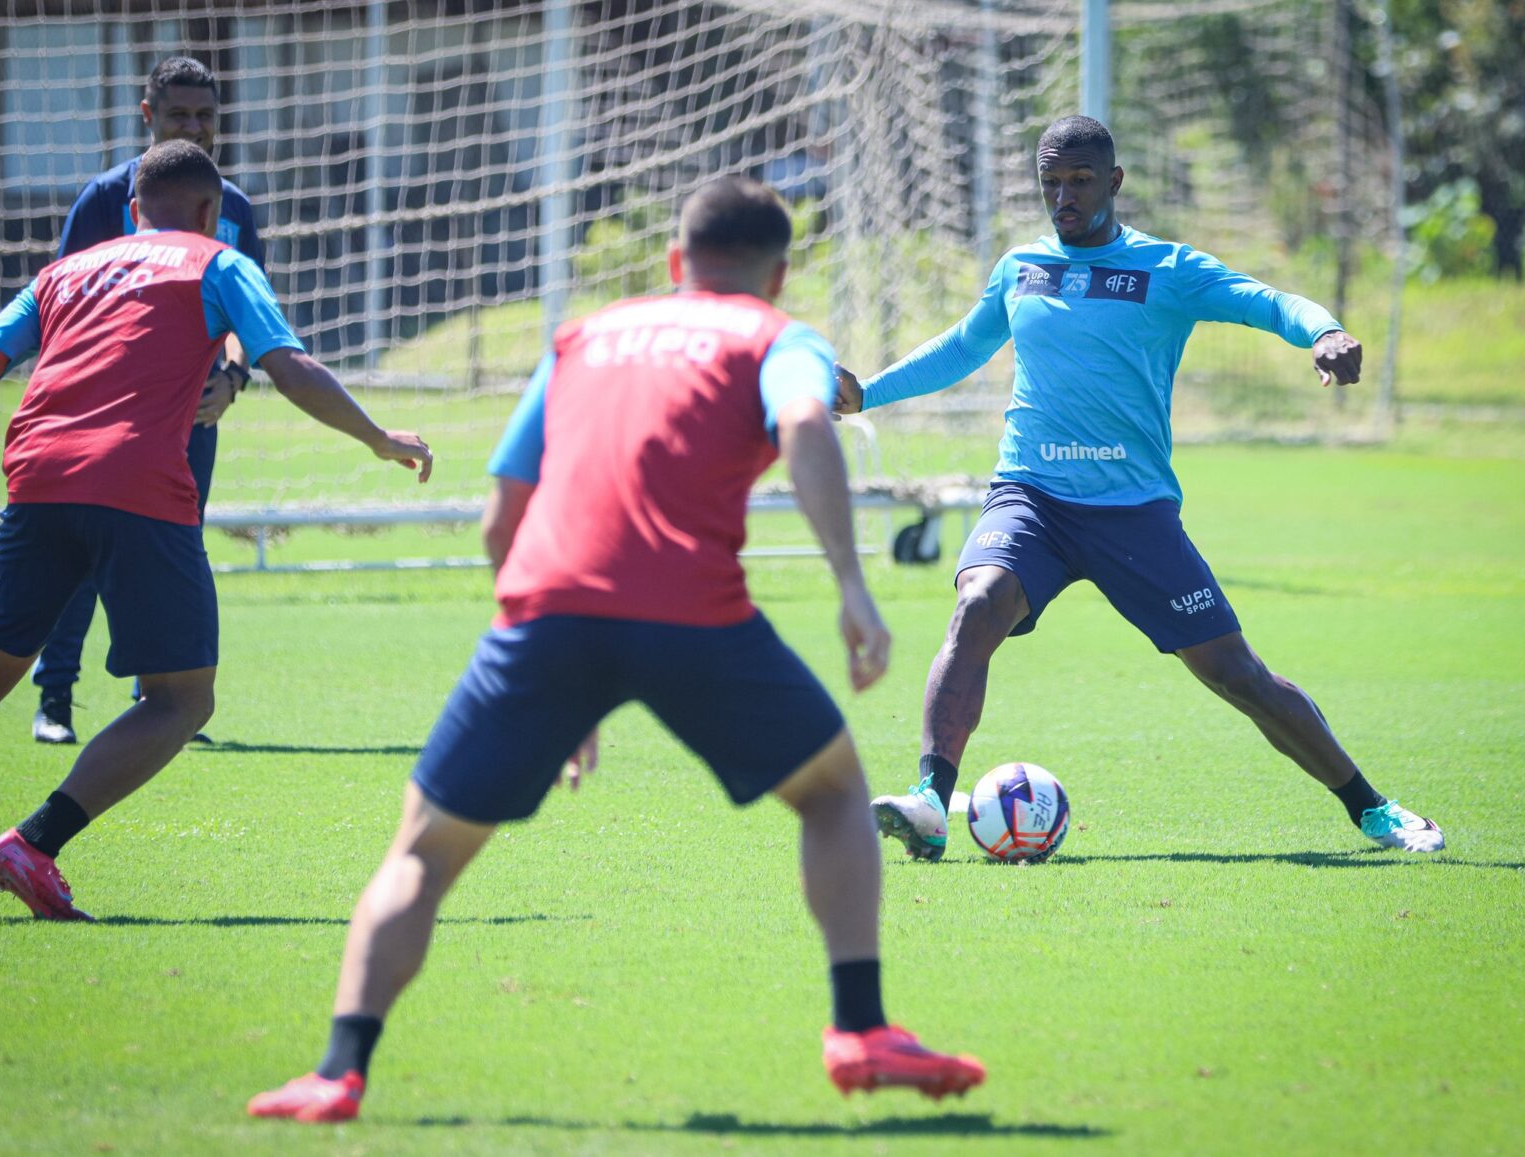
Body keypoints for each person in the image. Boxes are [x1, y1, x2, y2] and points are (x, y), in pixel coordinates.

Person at [246, 177, 984, 1124]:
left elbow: (501, 516)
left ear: (677, 262)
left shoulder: (583, 336)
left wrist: (555, 681)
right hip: (695, 614)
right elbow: (805, 421)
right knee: (835, 791)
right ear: (779, 273)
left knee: (423, 851)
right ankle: (860, 1026)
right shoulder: (776, 335)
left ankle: (337, 1071)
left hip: (548, 611)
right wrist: (849, 582)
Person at [834, 116, 1445, 861]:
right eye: (1051, 182)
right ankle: (930, 801)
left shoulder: (1166, 269)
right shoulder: (1021, 266)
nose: (1063, 196)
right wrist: (869, 391)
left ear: (1114, 182)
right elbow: (964, 345)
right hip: (1033, 497)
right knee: (976, 603)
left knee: (1236, 675)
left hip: (1132, 514)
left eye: (1080, 181)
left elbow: (1269, 301)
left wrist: (1324, 332)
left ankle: (1373, 809)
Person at [0, 140, 433, 921]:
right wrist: (378, 438)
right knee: (181, 700)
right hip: (136, 486)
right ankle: (34, 841)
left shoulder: (63, 272)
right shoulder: (218, 261)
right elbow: (288, 366)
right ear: (211, 213)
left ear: (131, 213)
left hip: (36, 480)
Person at [30, 55, 265, 747]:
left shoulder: (236, 208)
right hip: (102, 422)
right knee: (78, 559)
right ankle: (55, 697)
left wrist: (233, 379)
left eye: (204, 116)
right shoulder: (106, 200)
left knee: (175, 552)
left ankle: (161, 700)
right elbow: (60, 309)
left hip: (190, 421)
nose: (192, 126)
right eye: (177, 115)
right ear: (147, 117)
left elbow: (246, 317)